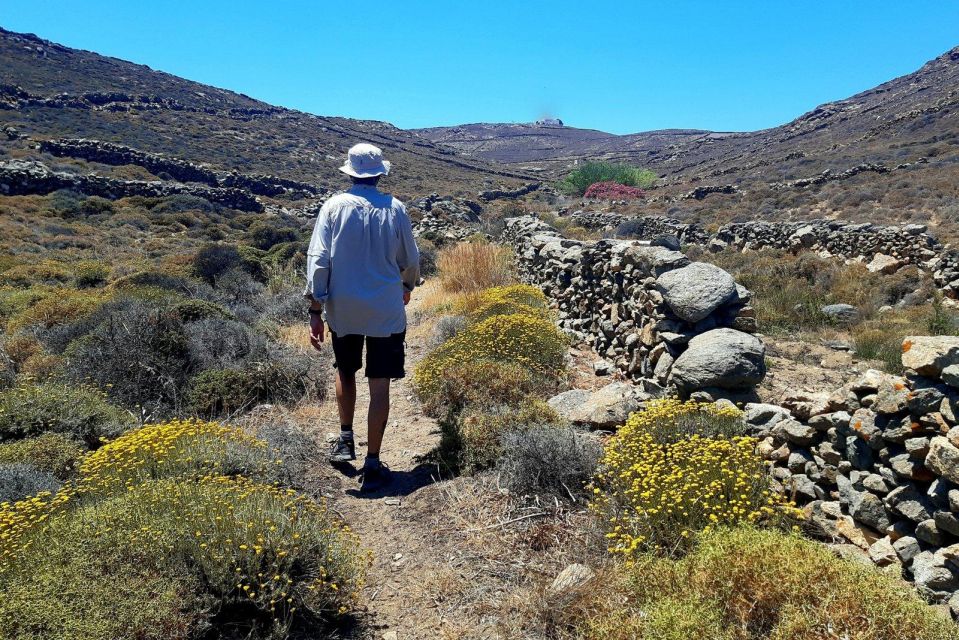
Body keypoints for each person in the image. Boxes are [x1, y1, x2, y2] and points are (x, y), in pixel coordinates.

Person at [305, 143, 420, 492]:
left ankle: (344, 439)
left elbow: (319, 259)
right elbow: (411, 259)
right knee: (380, 383)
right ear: (380, 174)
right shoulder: (395, 209)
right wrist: (407, 284)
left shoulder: (333, 207)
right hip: (385, 308)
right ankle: (373, 461)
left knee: (345, 370)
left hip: (344, 307)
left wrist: (315, 308)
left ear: (350, 173)